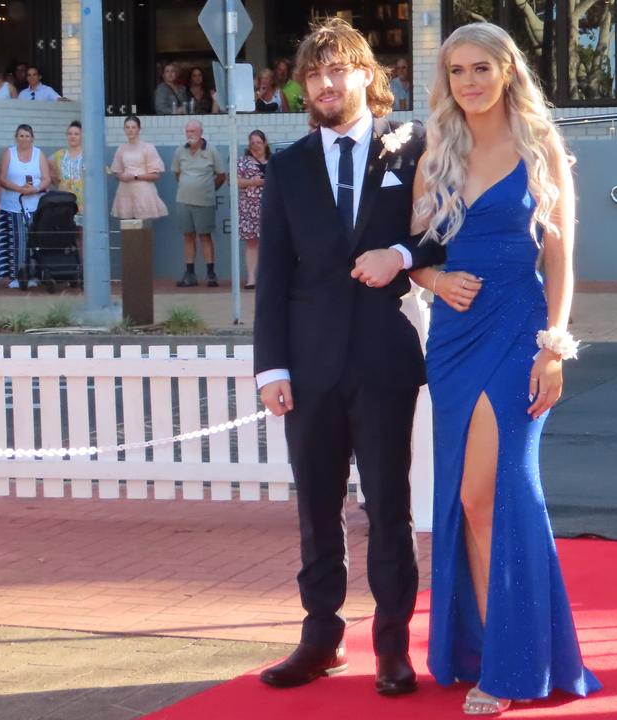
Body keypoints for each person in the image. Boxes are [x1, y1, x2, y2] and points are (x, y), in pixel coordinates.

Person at [405, 21, 601, 714]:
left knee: (498, 494)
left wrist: (555, 346)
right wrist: (434, 283)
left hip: (520, 332)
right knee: (468, 499)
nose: (470, 82)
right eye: (458, 71)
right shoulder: (438, 151)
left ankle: (511, 665)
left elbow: (561, 261)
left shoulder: (541, 146)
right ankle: (497, 648)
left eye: (482, 68)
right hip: (455, 341)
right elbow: (416, 252)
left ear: (508, 71)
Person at [253, 17, 447, 699]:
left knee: (389, 506)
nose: (325, 84)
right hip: (307, 367)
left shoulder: (416, 147)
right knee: (316, 506)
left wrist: (399, 255)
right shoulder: (287, 165)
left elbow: (449, 231)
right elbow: (273, 274)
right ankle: (320, 637)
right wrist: (271, 367)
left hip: (385, 359)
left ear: (367, 74)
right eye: (313, 74)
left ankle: (392, 646)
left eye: (337, 70)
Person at [171, 120, 226, 287]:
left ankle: (211, 274)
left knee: (205, 236)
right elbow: (177, 173)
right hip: (183, 201)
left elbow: (221, 175)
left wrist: (207, 189)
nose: (190, 134)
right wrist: (189, 186)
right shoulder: (180, 151)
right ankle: (190, 274)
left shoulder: (212, 151)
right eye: (187, 131)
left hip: (204, 202)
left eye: (193, 131)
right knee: (188, 236)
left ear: (201, 132)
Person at [0, 124, 50, 289]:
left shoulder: (39, 154)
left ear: (32, 138)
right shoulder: (8, 153)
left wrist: (36, 189)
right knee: (16, 242)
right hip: (13, 205)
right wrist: (19, 189)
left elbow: (46, 178)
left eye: (27, 136)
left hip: (35, 206)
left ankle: (34, 275)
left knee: (33, 241)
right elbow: (2, 179)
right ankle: (17, 276)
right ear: (16, 137)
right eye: (21, 136)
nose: (24, 139)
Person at [109, 115, 168, 221]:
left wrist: (135, 176)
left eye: (133, 127)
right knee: (127, 228)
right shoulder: (121, 149)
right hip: (125, 191)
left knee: (143, 228)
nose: (130, 130)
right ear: (124, 129)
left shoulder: (148, 148)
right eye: (127, 127)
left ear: (139, 129)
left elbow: (156, 174)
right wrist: (120, 176)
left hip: (143, 192)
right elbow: (116, 171)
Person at [236, 129, 269, 289]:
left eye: (258, 143)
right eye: (252, 143)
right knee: (251, 243)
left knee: (270, 243)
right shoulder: (242, 162)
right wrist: (253, 182)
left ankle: (269, 277)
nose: (256, 146)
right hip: (249, 208)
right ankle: (251, 278)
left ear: (265, 143)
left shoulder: (274, 160)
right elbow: (235, 181)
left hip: (271, 208)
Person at [50, 120, 84, 212]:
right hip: (64, 199)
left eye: (76, 134)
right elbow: (48, 169)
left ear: (82, 136)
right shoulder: (59, 155)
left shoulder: (89, 155)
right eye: (70, 134)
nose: (72, 136)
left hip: (84, 201)